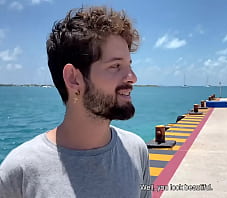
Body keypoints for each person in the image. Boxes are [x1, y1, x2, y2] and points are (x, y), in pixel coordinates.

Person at [0, 6, 151, 198]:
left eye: (129, 65)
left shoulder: (136, 150)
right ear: (73, 79)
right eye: (115, 66)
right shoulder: (19, 171)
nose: (132, 77)